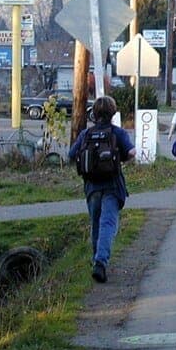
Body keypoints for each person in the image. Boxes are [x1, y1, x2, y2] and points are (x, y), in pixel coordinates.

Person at [68, 96, 136, 283]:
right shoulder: (117, 132)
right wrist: (119, 157)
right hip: (112, 186)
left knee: (96, 224)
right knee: (108, 224)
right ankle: (101, 262)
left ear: (94, 113)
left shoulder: (86, 134)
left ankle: (96, 260)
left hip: (91, 187)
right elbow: (131, 152)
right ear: (113, 113)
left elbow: (71, 154)